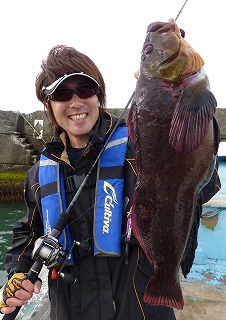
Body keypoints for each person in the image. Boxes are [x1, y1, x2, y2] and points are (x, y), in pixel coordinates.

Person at [0, 45, 221, 320]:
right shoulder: (38, 174)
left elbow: (197, 182)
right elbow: (28, 232)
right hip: (69, 310)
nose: (76, 102)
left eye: (86, 89)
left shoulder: (139, 148)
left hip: (140, 307)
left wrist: (181, 101)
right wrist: (19, 271)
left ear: (99, 95)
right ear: (48, 104)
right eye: (62, 94)